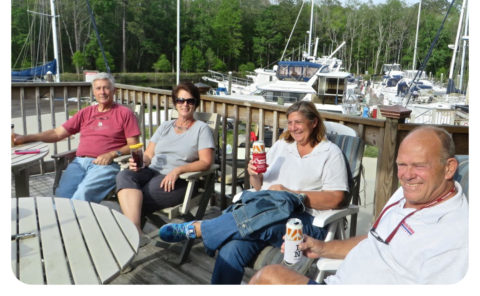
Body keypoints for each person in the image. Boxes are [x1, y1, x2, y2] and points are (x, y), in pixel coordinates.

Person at [158, 101, 348, 284]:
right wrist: (254, 174)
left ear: (314, 122)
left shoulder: (330, 153)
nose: (293, 127)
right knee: (230, 250)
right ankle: (203, 229)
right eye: (290, 123)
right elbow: (259, 186)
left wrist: (292, 195)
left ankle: (200, 229)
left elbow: (337, 198)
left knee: (261, 220)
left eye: (298, 122)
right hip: (263, 209)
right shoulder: (282, 146)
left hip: (301, 221)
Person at [250, 126, 468, 285]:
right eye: (402, 165)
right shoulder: (408, 194)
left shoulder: (454, 236)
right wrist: (321, 247)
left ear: (449, 168)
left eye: (419, 166)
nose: (407, 176)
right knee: (269, 276)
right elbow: (377, 239)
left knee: (267, 276)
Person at [12, 73, 140, 202]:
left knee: (83, 195)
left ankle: (77, 221)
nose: (102, 92)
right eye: (98, 88)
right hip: (79, 162)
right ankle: (64, 221)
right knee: (62, 196)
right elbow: (58, 133)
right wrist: (26, 138)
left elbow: (134, 145)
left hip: (106, 164)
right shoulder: (86, 112)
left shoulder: (125, 113)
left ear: (114, 90)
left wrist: (112, 154)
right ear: (93, 91)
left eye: (106, 88)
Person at [115, 82, 215, 245]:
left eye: (190, 101)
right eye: (181, 100)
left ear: (196, 104)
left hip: (180, 181)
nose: (185, 104)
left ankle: (129, 237)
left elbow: (206, 162)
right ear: (175, 102)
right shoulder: (165, 126)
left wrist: (178, 170)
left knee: (135, 197)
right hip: (152, 171)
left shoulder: (201, 129)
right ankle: (135, 232)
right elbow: (148, 154)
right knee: (124, 175)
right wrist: (140, 162)